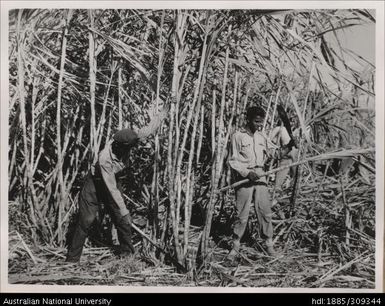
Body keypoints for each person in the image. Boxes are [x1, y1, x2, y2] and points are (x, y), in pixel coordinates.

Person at [66, 106, 168, 263]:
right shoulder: (104, 159)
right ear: (121, 146)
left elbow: (149, 129)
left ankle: (127, 255)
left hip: (113, 181)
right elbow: (111, 189)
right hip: (95, 184)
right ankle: (72, 260)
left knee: (121, 220)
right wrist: (125, 211)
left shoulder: (130, 139)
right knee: (86, 221)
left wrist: (165, 110)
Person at [227, 106, 278, 259]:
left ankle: (269, 244)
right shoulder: (237, 136)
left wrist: (282, 151)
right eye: (256, 122)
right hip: (245, 176)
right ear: (248, 119)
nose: (258, 125)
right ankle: (235, 245)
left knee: (265, 211)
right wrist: (246, 173)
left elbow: (272, 152)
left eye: (261, 123)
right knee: (241, 214)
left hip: (261, 175)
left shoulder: (262, 136)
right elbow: (232, 160)